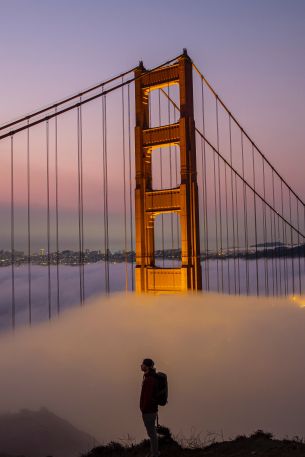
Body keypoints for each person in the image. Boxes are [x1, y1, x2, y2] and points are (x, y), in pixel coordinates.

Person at [140, 358, 159, 457]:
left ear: (146, 366)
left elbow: (147, 397)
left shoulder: (149, 380)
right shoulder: (151, 377)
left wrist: (143, 409)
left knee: (152, 434)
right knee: (152, 433)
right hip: (152, 410)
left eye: (142, 364)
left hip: (148, 411)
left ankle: (155, 454)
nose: (140, 365)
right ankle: (154, 452)